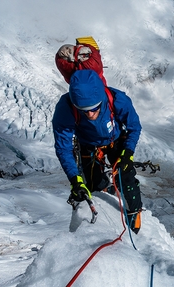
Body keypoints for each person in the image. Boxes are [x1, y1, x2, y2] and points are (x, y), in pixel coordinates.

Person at [52, 69, 142, 234]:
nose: (90, 114)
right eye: (84, 110)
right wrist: (75, 180)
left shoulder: (116, 99)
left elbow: (134, 127)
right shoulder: (66, 108)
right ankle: (104, 197)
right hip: (88, 144)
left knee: (125, 176)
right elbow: (63, 147)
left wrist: (127, 153)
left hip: (116, 140)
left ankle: (134, 211)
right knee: (93, 185)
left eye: (94, 109)